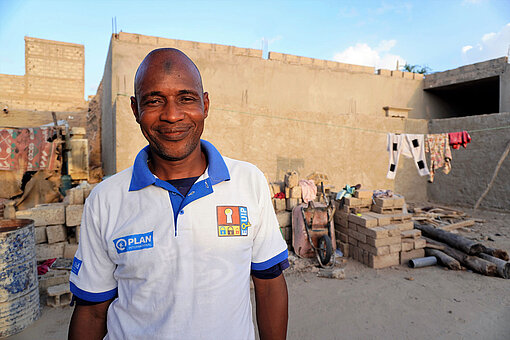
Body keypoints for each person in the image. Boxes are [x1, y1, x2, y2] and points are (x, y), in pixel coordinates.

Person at [68, 48, 289, 340]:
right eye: (155, 101)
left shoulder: (248, 182)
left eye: (186, 99)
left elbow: (270, 283)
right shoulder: (106, 199)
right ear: (135, 110)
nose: (172, 115)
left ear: (205, 104)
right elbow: (93, 310)